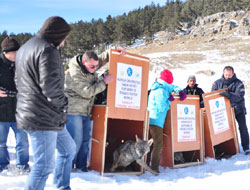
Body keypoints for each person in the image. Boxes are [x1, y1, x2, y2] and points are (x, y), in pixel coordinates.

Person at [15, 16, 76, 190]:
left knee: (68, 149)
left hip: (39, 113)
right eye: (64, 38)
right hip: (42, 117)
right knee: (43, 167)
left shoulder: (25, 48)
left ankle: (62, 186)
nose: (64, 42)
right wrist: (64, 103)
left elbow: (17, 79)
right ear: (57, 34)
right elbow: (52, 89)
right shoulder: (47, 50)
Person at [65, 48, 125, 172]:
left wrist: (115, 50)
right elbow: (87, 92)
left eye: (96, 66)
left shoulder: (89, 65)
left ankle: (81, 167)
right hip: (74, 111)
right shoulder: (75, 73)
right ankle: (67, 167)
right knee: (75, 140)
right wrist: (104, 82)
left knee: (85, 140)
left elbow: (104, 57)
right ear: (83, 62)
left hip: (86, 110)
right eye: (92, 67)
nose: (95, 69)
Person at [147, 69, 186, 173]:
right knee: (158, 144)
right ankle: (154, 166)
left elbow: (173, 87)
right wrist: (169, 100)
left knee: (150, 143)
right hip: (156, 121)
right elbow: (161, 107)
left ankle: (146, 164)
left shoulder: (162, 86)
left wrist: (180, 91)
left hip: (153, 120)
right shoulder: (161, 91)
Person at [0, 37, 30, 174]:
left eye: (18, 52)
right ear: (5, 52)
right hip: (2, 110)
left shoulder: (23, 64)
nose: (16, 55)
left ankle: (23, 166)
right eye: (13, 52)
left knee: (22, 142)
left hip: (20, 111)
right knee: (1, 143)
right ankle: (2, 165)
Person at [212, 66, 249, 155]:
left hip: (238, 109)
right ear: (223, 73)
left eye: (229, 74)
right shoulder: (217, 83)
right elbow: (212, 95)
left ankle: (246, 146)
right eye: (226, 74)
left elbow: (239, 96)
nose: (227, 76)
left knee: (242, 127)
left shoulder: (239, 83)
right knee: (223, 129)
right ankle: (224, 148)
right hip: (223, 111)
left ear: (233, 73)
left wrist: (228, 95)